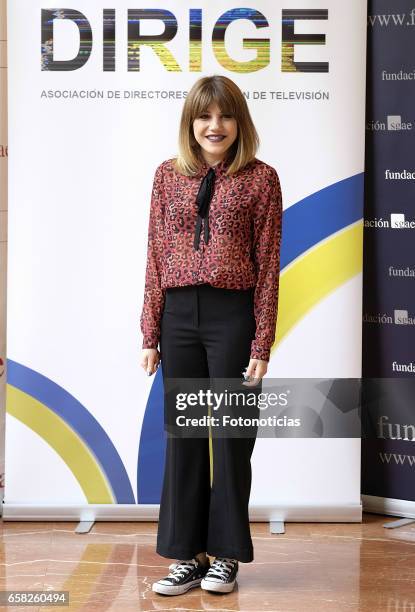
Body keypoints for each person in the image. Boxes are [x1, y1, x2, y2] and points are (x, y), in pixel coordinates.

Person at [140, 74, 282, 596]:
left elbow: (268, 266)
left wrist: (261, 343)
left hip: (232, 316)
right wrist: (149, 332)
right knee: (184, 440)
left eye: (225, 116)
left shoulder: (261, 179)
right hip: (178, 316)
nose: (214, 126)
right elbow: (155, 256)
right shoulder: (166, 176)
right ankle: (187, 556)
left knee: (231, 440)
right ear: (190, 123)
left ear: (239, 122)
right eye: (204, 116)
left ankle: (225, 556)